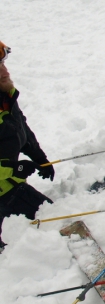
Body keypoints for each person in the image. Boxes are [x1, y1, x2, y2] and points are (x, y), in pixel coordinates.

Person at [0, 41, 54, 253]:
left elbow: (20, 128)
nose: (5, 70)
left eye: (3, 63)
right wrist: (14, 169)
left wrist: (39, 157)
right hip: (4, 192)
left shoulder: (5, 96)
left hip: (10, 188)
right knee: (51, 224)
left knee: (50, 217)